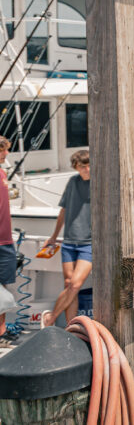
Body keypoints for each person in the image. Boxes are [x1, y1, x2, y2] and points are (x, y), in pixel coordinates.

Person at [42, 149, 91, 328]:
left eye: (88, 165)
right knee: (69, 284)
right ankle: (71, 329)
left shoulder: (98, 184)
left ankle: (50, 319)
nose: (87, 169)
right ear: (76, 167)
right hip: (69, 242)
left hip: (89, 243)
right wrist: (54, 237)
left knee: (75, 284)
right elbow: (63, 210)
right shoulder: (72, 182)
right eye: (82, 166)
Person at [0, 137, 14, 344]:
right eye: (3, 150)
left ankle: (1, 334)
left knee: (2, 291)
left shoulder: (2, 172)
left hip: (5, 241)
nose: (6, 154)